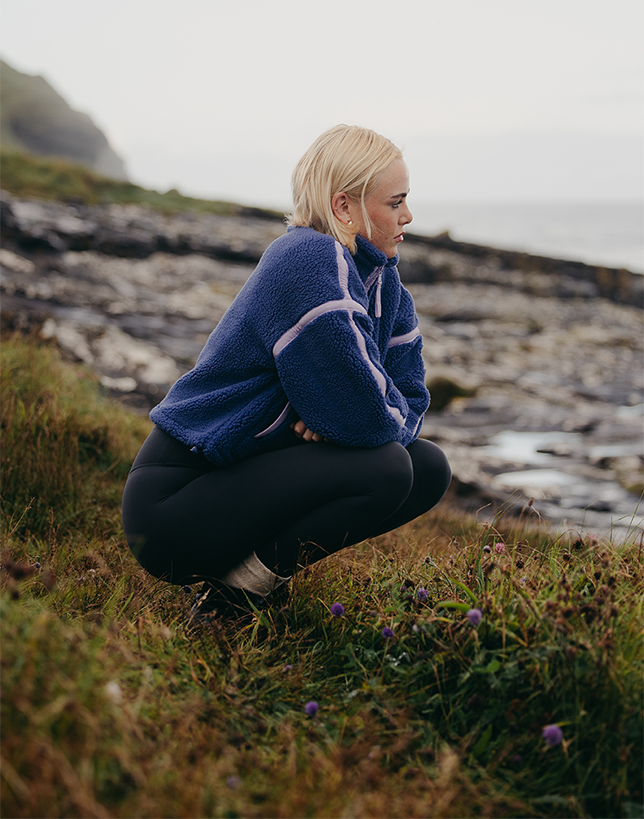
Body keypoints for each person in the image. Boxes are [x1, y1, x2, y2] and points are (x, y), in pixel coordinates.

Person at [121, 124, 451, 619]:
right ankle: (232, 600)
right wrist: (348, 423)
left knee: (427, 468)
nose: (408, 215)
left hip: (245, 477)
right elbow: (363, 411)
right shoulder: (308, 259)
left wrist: (344, 426)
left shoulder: (385, 283)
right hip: (173, 500)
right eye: (394, 202)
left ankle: (240, 583)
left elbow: (409, 400)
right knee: (387, 466)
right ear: (344, 207)